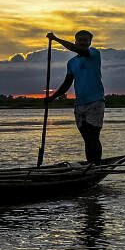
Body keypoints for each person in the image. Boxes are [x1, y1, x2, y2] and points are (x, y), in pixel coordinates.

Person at [45, 30, 105, 164]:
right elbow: (67, 83)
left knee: (93, 136)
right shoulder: (71, 62)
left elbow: (80, 50)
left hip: (95, 102)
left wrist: (56, 39)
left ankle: (95, 165)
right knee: (86, 138)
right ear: (75, 41)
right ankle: (91, 164)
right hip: (80, 104)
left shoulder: (94, 54)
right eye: (80, 40)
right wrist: (52, 97)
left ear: (90, 43)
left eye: (86, 40)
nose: (83, 43)